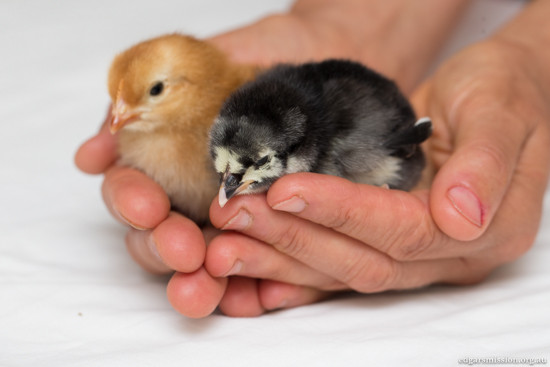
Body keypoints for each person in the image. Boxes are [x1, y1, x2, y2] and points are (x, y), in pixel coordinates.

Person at [75, 0, 550, 318]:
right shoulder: (229, 114)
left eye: (151, 93)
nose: (118, 117)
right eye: (116, 100)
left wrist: (529, 57)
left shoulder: (245, 112)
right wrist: (341, 21)